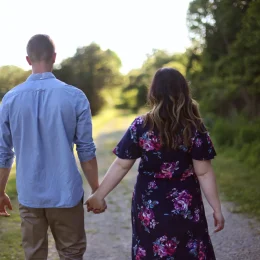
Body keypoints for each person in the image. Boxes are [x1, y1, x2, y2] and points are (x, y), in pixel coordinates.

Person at [87, 68, 225, 259]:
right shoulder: (194, 127)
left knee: (153, 251)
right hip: (185, 206)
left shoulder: (140, 126)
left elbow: (121, 165)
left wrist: (99, 195)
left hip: (149, 206)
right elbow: (204, 173)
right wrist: (216, 208)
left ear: (153, 93)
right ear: (184, 91)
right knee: (189, 251)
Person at [0, 34, 105, 260]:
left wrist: (0, 192)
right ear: (54, 57)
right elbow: (86, 149)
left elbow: (3, 153)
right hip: (65, 193)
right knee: (71, 254)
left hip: (29, 195)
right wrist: (97, 190)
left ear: (28, 60)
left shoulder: (9, 99)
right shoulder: (75, 97)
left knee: (34, 255)